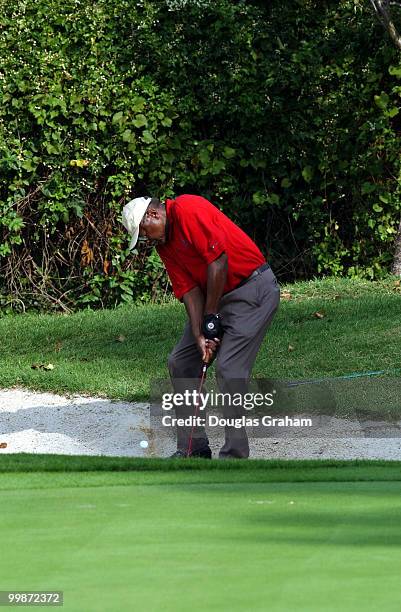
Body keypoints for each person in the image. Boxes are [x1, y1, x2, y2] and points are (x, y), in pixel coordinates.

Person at [122, 194, 280, 459]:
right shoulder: (165, 246)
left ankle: (235, 454)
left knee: (230, 369)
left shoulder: (188, 208)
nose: (148, 239)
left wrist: (210, 317)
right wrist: (200, 333)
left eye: (145, 233)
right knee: (181, 362)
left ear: (153, 215)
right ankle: (193, 449)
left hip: (252, 290)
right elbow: (189, 290)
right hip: (216, 298)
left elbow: (218, 260)